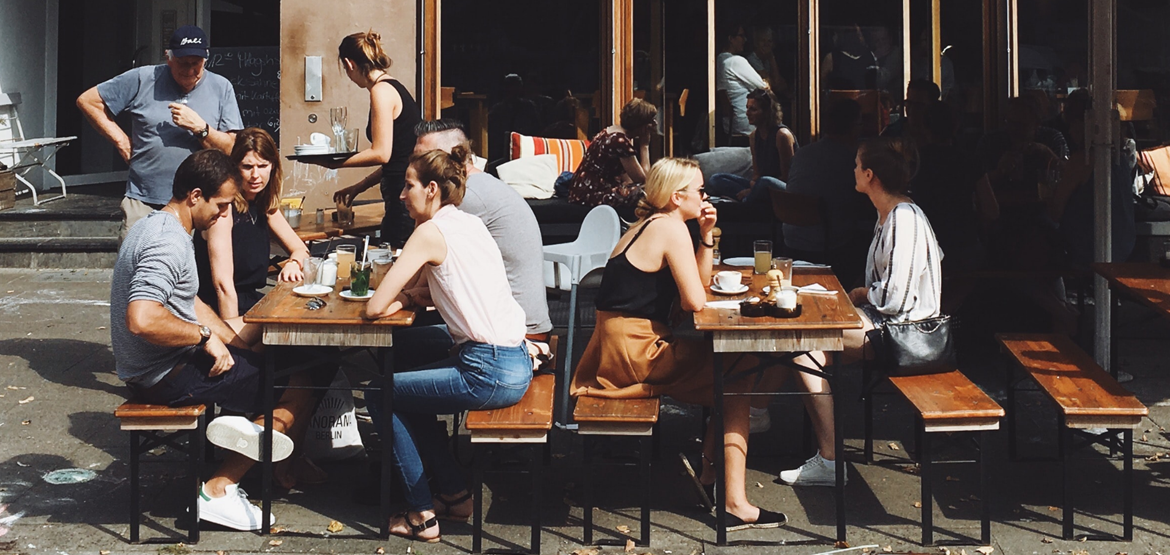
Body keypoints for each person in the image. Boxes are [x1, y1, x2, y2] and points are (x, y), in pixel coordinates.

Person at [570, 158, 787, 531]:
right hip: (636, 352)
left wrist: (705, 233)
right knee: (738, 372)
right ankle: (732, 500)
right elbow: (694, 302)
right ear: (676, 197)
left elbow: (697, 285)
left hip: (620, 345)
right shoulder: (669, 230)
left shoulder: (656, 224)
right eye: (700, 191)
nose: (706, 196)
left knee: (735, 367)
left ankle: (710, 474)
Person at [110, 150, 320, 530]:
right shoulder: (167, 243)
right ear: (194, 196)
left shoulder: (157, 224)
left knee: (266, 360)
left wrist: (236, 342)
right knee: (300, 384)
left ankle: (247, 435)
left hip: (161, 365)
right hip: (161, 375)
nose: (224, 214)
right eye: (221, 205)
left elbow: (189, 299)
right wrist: (204, 336)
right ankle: (220, 487)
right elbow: (141, 318)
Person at [362, 146, 531, 542]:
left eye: (408, 186)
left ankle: (421, 514)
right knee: (405, 379)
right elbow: (428, 289)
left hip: (487, 369)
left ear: (432, 188)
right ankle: (455, 494)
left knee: (380, 393)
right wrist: (412, 295)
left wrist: (401, 297)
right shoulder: (469, 223)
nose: (402, 195)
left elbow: (374, 307)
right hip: (514, 359)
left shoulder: (428, 233)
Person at [778, 138, 942, 487]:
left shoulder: (904, 218)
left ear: (870, 175)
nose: (851, 170)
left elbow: (896, 298)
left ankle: (829, 460)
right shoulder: (889, 216)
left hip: (905, 332)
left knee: (803, 343)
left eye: (856, 165)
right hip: (890, 325)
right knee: (807, 346)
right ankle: (816, 450)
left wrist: (861, 293)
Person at [77, 25, 242, 239]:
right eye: (183, 64)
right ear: (169, 58)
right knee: (139, 266)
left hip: (201, 205)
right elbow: (88, 101)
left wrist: (201, 129)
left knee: (194, 271)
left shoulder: (222, 87)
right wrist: (122, 141)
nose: (191, 70)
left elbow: (231, 148)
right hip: (145, 200)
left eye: (197, 64)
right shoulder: (143, 78)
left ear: (206, 59)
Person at [413, 119, 552, 341]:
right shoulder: (479, 185)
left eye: (423, 158)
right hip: (501, 324)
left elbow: (420, 267)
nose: (416, 166)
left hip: (515, 337)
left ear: (450, 158)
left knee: (403, 344)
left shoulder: (467, 198)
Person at [315, 31, 420, 248]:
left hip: (401, 194)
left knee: (391, 261)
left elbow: (382, 153)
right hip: (402, 189)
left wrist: (333, 163)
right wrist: (358, 187)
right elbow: (398, 156)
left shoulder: (381, 91)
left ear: (349, 64)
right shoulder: (393, 86)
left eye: (345, 69)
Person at [194, 128, 311, 319]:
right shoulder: (224, 210)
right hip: (220, 309)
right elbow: (223, 287)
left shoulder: (264, 205)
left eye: (262, 165)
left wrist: (293, 263)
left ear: (273, 166)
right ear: (234, 168)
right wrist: (234, 340)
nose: (255, 175)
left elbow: (301, 250)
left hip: (253, 302)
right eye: (247, 167)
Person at [783, 98, 872, 286]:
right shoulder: (851, 161)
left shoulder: (802, 153)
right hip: (827, 243)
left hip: (791, 238)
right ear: (853, 127)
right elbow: (861, 203)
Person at [707, 89, 798, 203]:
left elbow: (787, 177)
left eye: (753, 109)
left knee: (765, 181)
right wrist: (753, 187)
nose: (747, 113)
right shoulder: (754, 136)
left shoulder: (782, 135)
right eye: (747, 108)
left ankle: (745, 202)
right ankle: (748, 200)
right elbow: (756, 175)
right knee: (716, 179)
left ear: (767, 112)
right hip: (760, 186)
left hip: (781, 188)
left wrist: (753, 189)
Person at [568, 98, 656, 210]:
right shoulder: (620, 141)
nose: (655, 124)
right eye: (652, 121)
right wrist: (645, 146)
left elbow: (627, 176)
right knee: (646, 191)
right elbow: (643, 180)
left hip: (581, 191)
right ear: (643, 125)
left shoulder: (610, 131)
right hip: (591, 194)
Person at [716, 23, 769, 145]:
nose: (745, 40)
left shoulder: (718, 61)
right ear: (731, 39)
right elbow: (764, 87)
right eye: (741, 36)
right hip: (746, 120)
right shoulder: (734, 61)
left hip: (730, 123)